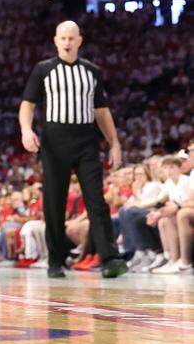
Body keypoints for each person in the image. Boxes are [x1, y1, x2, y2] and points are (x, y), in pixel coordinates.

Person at [19, 20, 127, 279]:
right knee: (54, 202)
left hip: (86, 140)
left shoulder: (92, 71)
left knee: (96, 201)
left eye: (72, 38)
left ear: (80, 40)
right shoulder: (42, 69)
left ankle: (110, 258)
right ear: (55, 40)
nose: (67, 42)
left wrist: (114, 143)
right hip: (54, 140)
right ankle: (56, 261)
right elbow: (28, 104)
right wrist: (26, 130)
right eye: (62, 38)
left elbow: (101, 111)